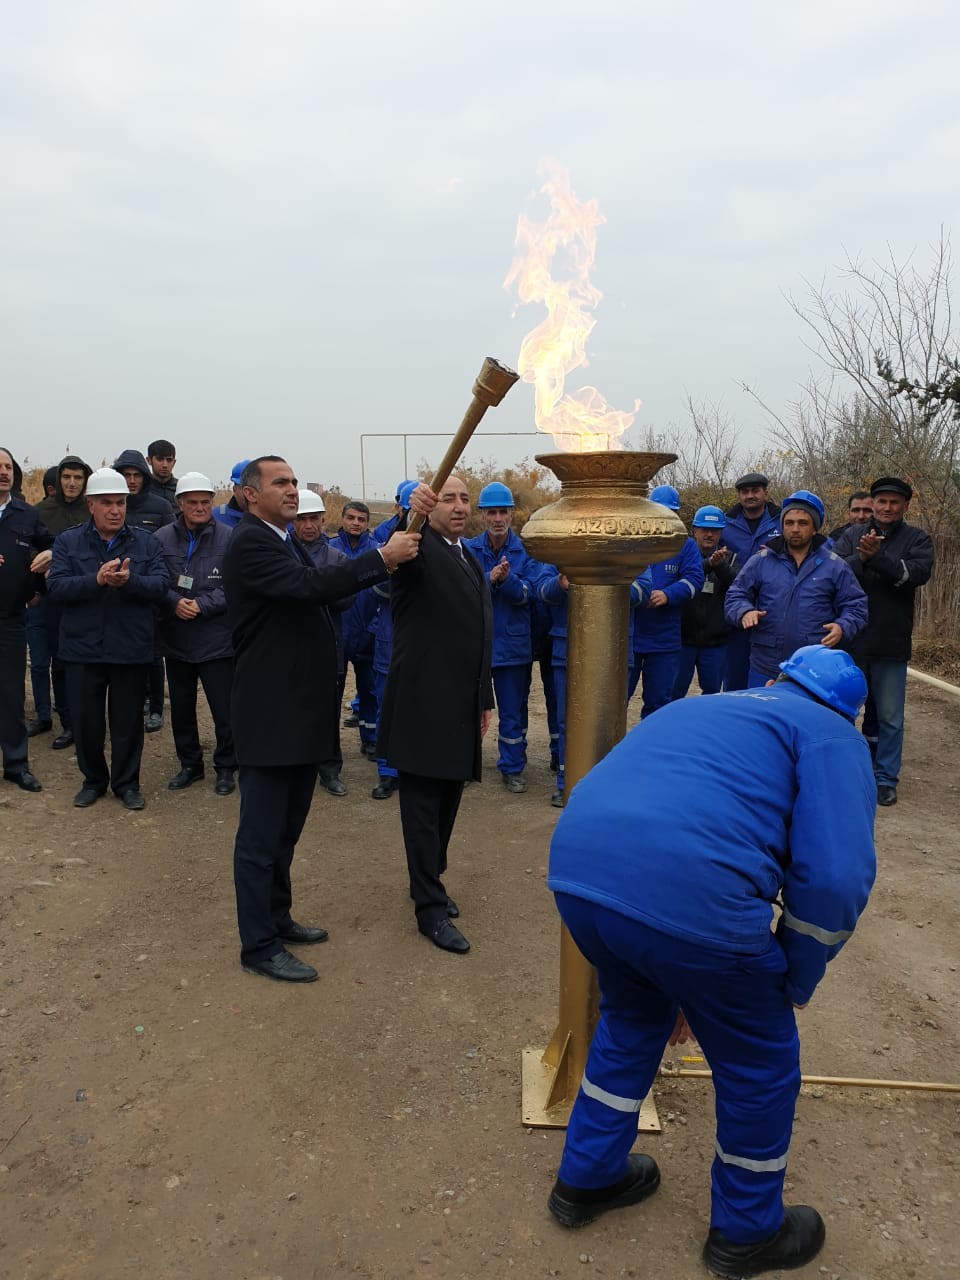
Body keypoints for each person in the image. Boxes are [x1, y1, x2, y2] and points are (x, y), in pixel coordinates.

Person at [545, 646, 876, 1277]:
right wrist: (793, 981)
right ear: (848, 712)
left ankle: (586, 1179)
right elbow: (835, 879)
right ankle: (747, 1233)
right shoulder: (831, 734)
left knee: (633, 1019)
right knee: (759, 1062)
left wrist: (682, 980)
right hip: (693, 900)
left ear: (778, 679)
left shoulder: (711, 705)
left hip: (581, 878)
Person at [223, 457, 420, 983]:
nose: (293, 490)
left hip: (298, 710)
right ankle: (258, 945)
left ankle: (277, 917)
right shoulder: (251, 541)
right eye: (280, 483)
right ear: (248, 494)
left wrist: (399, 534)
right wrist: (381, 558)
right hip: (269, 713)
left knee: (287, 828)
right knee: (261, 835)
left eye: (294, 482)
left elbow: (315, 586)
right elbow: (310, 588)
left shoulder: (280, 537)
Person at [377, 475, 494, 955]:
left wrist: (484, 697)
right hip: (423, 702)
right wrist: (413, 515)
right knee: (423, 807)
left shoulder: (466, 555)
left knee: (448, 798)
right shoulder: (415, 549)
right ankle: (429, 907)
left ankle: (430, 879)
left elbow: (479, 632)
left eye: (465, 498)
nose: (460, 506)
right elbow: (397, 542)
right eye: (449, 498)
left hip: (460, 701)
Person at [47, 468, 169, 810]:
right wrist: (95, 580)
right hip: (83, 650)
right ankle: (94, 781)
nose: (115, 509)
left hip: (130, 649)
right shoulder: (69, 542)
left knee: (128, 723)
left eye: (120, 502)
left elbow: (161, 585)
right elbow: (55, 587)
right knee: (87, 723)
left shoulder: (147, 542)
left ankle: (127, 784)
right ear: (90, 505)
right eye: (107, 503)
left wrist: (129, 581)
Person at [833, 477, 935, 806]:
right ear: (873, 504)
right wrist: (862, 558)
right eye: (882, 501)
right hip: (852, 642)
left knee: (891, 718)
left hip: (891, 643)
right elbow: (834, 574)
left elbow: (914, 575)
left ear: (905, 506)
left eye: (894, 502)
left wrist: (878, 558)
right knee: (843, 711)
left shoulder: (918, 539)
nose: (887, 507)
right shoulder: (850, 535)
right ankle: (842, 772)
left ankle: (886, 779)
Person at [724, 491, 867, 687]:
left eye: (803, 523)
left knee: (806, 718)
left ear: (815, 528)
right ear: (782, 527)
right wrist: (744, 611)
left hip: (813, 670)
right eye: (789, 523)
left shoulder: (834, 565)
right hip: (765, 666)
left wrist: (843, 626)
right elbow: (735, 595)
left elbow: (856, 605)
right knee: (762, 717)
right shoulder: (761, 560)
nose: (795, 529)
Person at [153, 472, 237, 796]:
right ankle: (190, 765)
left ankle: (226, 767)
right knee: (182, 709)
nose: (200, 507)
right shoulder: (161, 539)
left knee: (224, 710)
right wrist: (174, 602)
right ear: (180, 504)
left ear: (212, 502)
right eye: (193, 502)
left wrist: (202, 605)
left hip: (217, 639)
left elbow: (236, 587)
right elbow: (155, 581)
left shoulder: (229, 539)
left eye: (205, 502)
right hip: (177, 639)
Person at [465, 481, 543, 794]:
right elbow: (460, 590)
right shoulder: (469, 549)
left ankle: (512, 768)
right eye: (492, 512)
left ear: (512, 514)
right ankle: (464, 766)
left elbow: (533, 593)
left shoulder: (527, 551)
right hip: (475, 646)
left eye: (503, 512)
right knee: (467, 711)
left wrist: (508, 581)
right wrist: (489, 578)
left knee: (513, 711)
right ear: (482, 515)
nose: (498, 518)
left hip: (512, 647)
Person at [292, 489, 352, 797]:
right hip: (291, 649)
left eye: (313, 519)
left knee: (328, 713)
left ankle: (329, 770)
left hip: (329, 649)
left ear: (323, 520)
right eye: (301, 519)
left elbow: (348, 598)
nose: (308, 525)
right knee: (293, 711)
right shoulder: (283, 553)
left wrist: (312, 593)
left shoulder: (336, 557)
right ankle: (297, 767)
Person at [0, 447, 53, 793]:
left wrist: (40, 580)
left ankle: (16, 765)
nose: (4, 472)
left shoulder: (25, 514)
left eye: (7, 466)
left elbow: (54, 547)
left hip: (10, 620)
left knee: (10, 695)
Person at [29, 454, 92, 741]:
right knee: (47, 661)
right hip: (45, 598)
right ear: (58, 480)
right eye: (67, 476)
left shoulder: (91, 511)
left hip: (80, 597)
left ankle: (75, 722)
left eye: (78, 478)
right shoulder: (40, 510)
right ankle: (51, 716)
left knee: (74, 662)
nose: (71, 483)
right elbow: (27, 547)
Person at [628, 485, 704, 717]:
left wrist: (668, 595)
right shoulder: (632, 540)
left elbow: (694, 579)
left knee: (659, 704)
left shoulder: (685, 544)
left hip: (664, 639)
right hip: (630, 634)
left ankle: (651, 751)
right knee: (615, 698)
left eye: (669, 512)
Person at [114, 449, 175, 731]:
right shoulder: (112, 505)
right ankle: (134, 701)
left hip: (150, 589)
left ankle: (156, 707)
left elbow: (167, 548)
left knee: (153, 652)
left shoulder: (161, 505)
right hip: (117, 590)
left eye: (137, 475)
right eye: (126, 475)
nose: (132, 480)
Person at [327, 501, 380, 760]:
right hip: (338, 634)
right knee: (332, 693)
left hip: (369, 635)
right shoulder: (329, 549)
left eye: (361, 519)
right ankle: (329, 746)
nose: (356, 523)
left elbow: (385, 595)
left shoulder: (378, 552)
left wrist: (374, 628)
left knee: (370, 690)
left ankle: (370, 738)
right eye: (351, 518)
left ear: (368, 523)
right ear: (343, 519)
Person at [720, 473, 781, 690]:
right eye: (745, 492)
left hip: (771, 611)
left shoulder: (782, 522)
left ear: (765, 493)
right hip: (736, 614)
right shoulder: (726, 525)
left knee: (768, 682)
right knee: (735, 680)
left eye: (755, 491)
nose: (750, 496)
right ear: (739, 496)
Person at [673, 505, 737, 698]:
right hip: (683, 640)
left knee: (712, 694)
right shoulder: (681, 555)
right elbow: (677, 581)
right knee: (674, 693)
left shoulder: (731, 558)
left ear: (721, 532)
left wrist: (720, 566)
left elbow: (737, 584)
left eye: (715, 530)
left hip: (716, 642)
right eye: (704, 530)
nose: (709, 535)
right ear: (694, 531)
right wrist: (708, 564)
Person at [372, 479, 414, 544]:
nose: (410, 515)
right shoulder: (382, 531)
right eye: (406, 511)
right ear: (397, 507)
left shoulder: (430, 527)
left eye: (415, 511)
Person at [212, 460, 251, 529]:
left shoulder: (270, 516)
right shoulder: (216, 516)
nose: (249, 493)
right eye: (244, 488)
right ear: (234, 489)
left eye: (253, 487)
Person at [146, 439, 178, 506]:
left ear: (174, 462)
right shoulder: (143, 489)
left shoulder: (181, 488)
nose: (165, 465)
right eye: (160, 459)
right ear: (149, 460)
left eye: (169, 460)